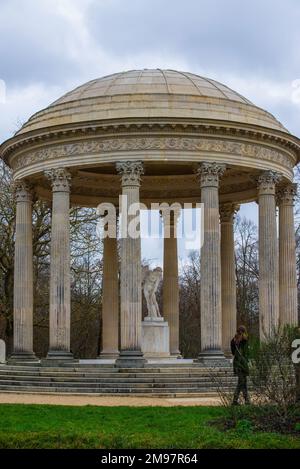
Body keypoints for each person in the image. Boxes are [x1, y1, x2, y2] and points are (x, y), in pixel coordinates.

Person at [231, 325, 250, 405]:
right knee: (241, 382)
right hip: (242, 363)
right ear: (243, 332)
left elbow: (232, 352)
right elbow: (246, 353)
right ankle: (236, 400)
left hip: (237, 363)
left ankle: (246, 400)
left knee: (243, 382)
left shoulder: (233, 341)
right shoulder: (244, 340)